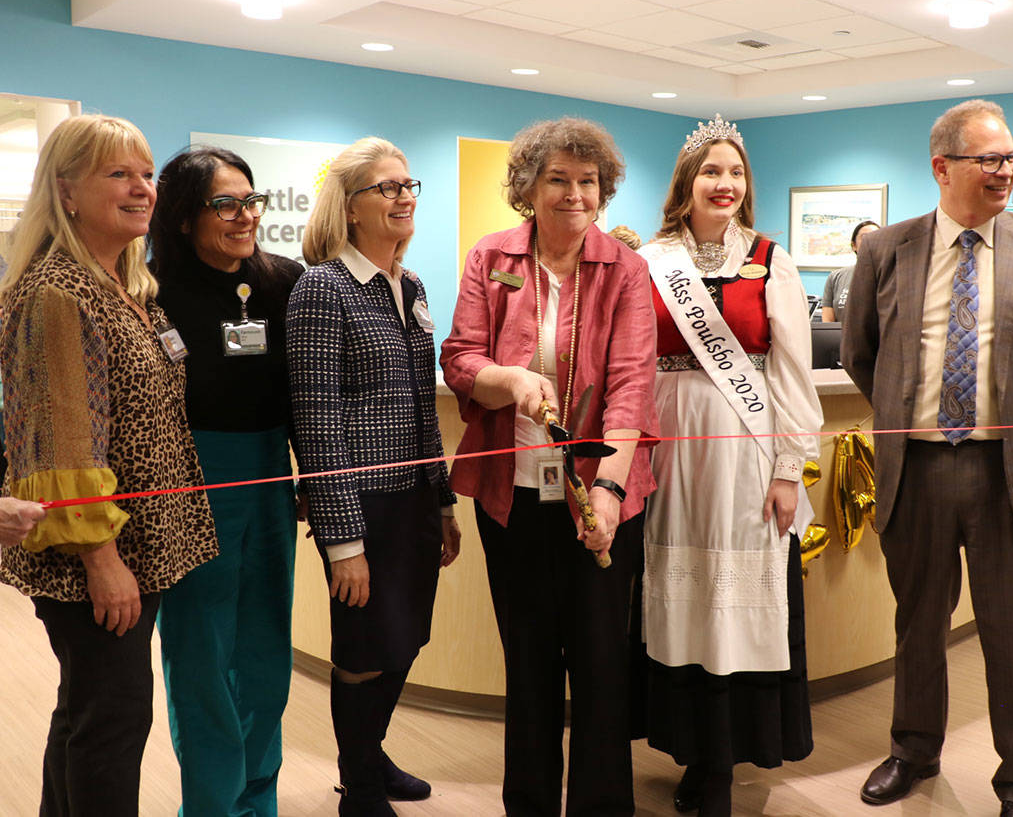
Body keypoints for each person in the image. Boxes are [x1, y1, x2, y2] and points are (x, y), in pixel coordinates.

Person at [841, 99, 1013, 817]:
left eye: (1012, 157)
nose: (1005, 170)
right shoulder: (886, 249)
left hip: (1010, 473)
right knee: (917, 625)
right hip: (915, 470)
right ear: (941, 166)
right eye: (989, 158)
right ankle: (913, 751)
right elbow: (863, 354)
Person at [0, 114, 219, 814]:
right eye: (116, 173)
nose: (140, 188)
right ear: (65, 192)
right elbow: (64, 443)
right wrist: (102, 557)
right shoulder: (59, 293)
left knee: (89, 716)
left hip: (132, 546)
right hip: (92, 556)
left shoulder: (123, 284)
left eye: (145, 172)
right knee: (114, 723)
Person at [441, 116, 656, 817]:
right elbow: (460, 355)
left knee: (600, 669)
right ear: (528, 188)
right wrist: (507, 380)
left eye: (587, 181)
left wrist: (610, 492)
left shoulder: (626, 268)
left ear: (604, 189)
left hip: (603, 499)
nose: (573, 194)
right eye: (557, 179)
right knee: (529, 669)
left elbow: (631, 383)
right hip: (511, 497)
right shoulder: (490, 256)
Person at [637, 114, 822, 817]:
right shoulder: (651, 259)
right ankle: (691, 750)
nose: (725, 183)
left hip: (745, 452)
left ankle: (720, 764)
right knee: (681, 596)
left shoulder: (771, 259)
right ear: (686, 184)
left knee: (732, 597)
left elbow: (794, 375)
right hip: (671, 451)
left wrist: (787, 469)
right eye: (711, 171)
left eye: (736, 172)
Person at [287, 137, 461, 816]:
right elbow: (316, 421)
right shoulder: (322, 288)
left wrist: (444, 501)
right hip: (360, 505)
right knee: (363, 647)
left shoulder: (410, 286)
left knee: (404, 637)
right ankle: (357, 784)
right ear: (350, 206)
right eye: (386, 188)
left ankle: (373, 749)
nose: (404, 197)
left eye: (407, 184)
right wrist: (342, 541)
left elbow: (424, 404)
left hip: (414, 498)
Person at [150, 146, 304, 816]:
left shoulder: (286, 281)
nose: (246, 216)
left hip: (270, 473)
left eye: (251, 201)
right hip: (189, 480)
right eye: (226, 204)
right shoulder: (151, 290)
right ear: (185, 217)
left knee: (266, 651)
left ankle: (256, 798)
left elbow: (308, 393)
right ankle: (211, 803)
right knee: (200, 654)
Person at [820, 220, 879, 322]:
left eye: (877, 237)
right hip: (839, 337)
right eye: (865, 237)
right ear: (854, 245)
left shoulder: (892, 276)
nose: (871, 241)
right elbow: (827, 323)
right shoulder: (835, 277)